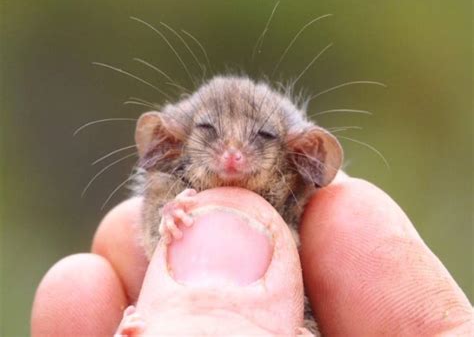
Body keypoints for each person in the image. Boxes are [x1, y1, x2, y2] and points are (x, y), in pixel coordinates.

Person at [31, 173, 472, 335]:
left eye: (259, 137)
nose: (233, 157)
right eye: (209, 132)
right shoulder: (167, 199)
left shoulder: (305, 215)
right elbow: (148, 231)